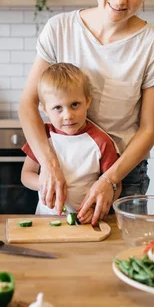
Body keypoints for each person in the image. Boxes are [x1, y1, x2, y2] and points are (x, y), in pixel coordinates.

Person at [19, 0, 154, 224]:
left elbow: (148, 130)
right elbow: (28, 104)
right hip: (63, 166)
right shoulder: (60, 28)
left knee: (120, 256)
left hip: (123, 174)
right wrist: (50, 166)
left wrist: (110, 179)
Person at [21, 63, 120, 223]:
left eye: (75, 105)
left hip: (85, 222)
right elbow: (26, 175)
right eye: (58, 108)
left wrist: (96, 207)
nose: (68, 115)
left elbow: (115, 185)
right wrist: (44, 183)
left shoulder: (101, 141)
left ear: (88, 101)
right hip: (44, 220)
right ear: (44, 109)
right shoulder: (42, 137)